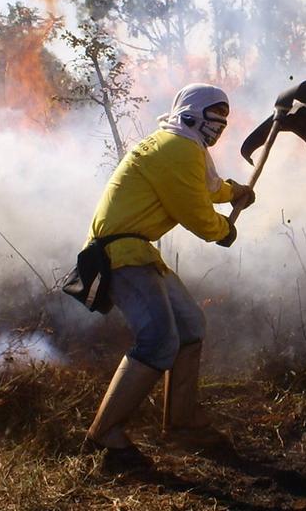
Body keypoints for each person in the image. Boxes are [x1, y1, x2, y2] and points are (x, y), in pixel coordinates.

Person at [82, 83, 255, 457]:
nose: (219, 125)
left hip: (137, 251)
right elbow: (195, 212)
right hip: (120, 254)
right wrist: (224, 230)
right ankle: (104, 435)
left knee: (190, 326)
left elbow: (205, 187)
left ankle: (181, 423)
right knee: (159, 339)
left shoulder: (178, 145)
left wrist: (235, 191)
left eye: (225, 118)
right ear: (191, 112)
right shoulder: (177, 148)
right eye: (215, 115)